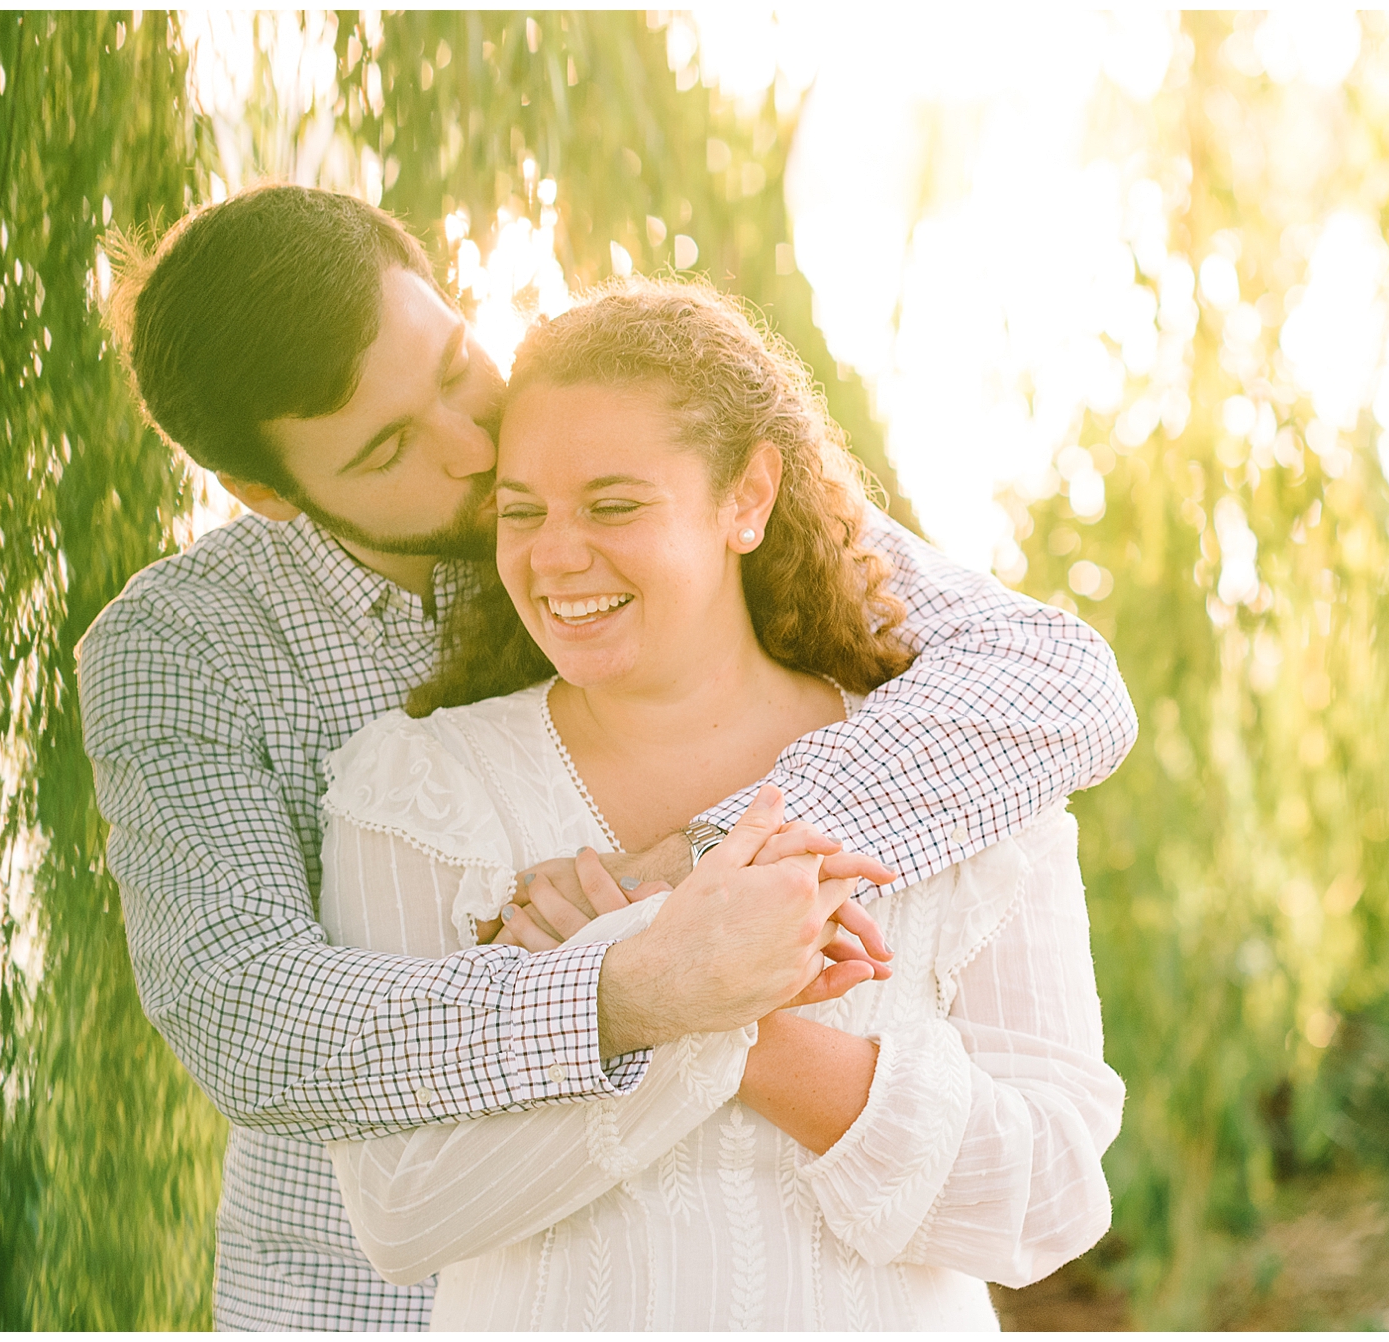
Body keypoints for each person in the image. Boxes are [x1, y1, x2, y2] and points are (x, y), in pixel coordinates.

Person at [77, 184, 1137, 1330]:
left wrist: (688, 867)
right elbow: (252, 1015)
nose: (476, 449)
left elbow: (1054, 681)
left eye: (449, 370)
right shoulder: (181, 650)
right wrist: (631, 989)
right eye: (389, 445)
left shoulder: (608, 455)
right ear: (266, 493)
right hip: (356, 1304)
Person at [321, 279, 1125, 1329]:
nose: (556, 554)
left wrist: (732, 1024)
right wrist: (673, 990)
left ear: (745, 498)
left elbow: (1049, 1200)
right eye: (522, 512)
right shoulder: (419, 793)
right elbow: (402, 1207)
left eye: (613, 504)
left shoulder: (963, 765)